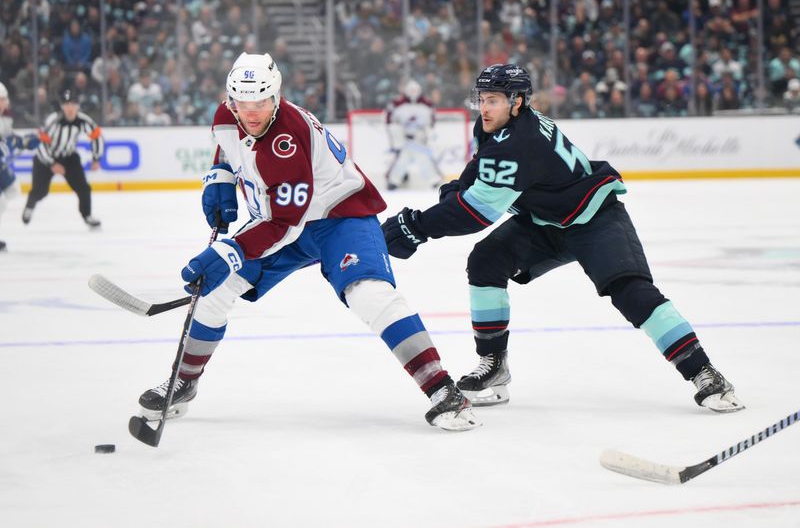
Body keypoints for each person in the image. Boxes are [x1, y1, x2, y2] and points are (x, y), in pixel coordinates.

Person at [136, 52, 479, 432]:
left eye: (261, 103)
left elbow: (286, 221)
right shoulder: (227, 115)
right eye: (241, 103)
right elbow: (229, 150)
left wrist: (231, 250)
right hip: (279, 219)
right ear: (230, 99)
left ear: (276, 96)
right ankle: (184, 383)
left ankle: (443, 390)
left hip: (340, 217)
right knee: (215, 288)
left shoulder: (287, 138)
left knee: (370, 293)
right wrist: (219, 175)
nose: (250, 113)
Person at [381, 64, 744, 413]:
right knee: (485, 261)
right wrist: (458, 189)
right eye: (482, 98)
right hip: (546, 222)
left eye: (493, 99)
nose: (484, 107)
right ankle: (494, 365)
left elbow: (477, 213)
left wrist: (418, 226)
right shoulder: (498, 125)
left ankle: (704, 373)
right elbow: (481, 164)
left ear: (517, 101)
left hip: (595, 218)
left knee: (631, 291)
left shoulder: (520, 142)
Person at [22, 88, 103, 228]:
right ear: (61, 106)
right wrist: (52, 163)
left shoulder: (84, 121)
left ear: (78, 106)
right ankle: (30, 206)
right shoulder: (53, 121)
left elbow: (96, 137)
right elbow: (40, 145)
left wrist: (96, 158)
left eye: (73, 104)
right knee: (40, 191)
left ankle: (87, 215)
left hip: (68, 157)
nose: (70, 108)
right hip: (45, 159)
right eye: (66, 104)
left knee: (83, 188)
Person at [0, 82, 39, 251]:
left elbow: (7, 137)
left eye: (5, 99)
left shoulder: (5, 119)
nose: (5, 103)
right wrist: (13, 142)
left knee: (12, 190)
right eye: (2, 99)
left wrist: (22, 141)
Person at [384, 79, 442, 190]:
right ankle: (394, 181)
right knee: (404, 159)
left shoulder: (427, 105)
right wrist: (398, 136)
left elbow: (431, 124)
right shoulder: (397, 105)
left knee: (422, 158)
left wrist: (426, 135)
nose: (413, 93)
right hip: (405, 140)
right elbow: (391, 123)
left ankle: (393, 181)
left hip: (419, 140)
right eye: (411, 90)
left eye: (415, 90)